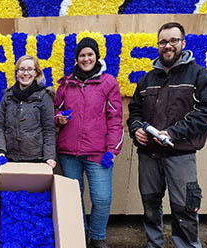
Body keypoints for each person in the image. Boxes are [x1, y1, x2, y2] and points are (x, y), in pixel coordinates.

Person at [127, 22, 207, 248]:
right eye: (163, 41)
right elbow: (135, 110)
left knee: (184, 208)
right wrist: (136, 129)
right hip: (149, 155)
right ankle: (154, 244)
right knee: (150, 205)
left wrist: (174, 133)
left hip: (180, 155)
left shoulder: (199, 75)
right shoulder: (147, 79)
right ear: (158, 45)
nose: (168, 46)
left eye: (173, 40)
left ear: (183, 43)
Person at [54, 37, 123, 248]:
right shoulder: (66, 83)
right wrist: (58, 118)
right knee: (74, 199)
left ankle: (98, 237)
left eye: (90, 54)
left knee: (101, 198)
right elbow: (54, 110)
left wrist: (112, 149)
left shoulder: (108, 82)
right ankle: (79, 235)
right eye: (82, 55)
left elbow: (116, 119)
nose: (86, 59)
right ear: (77, 58)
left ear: (97, 56)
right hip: (69, 152)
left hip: (98, 153)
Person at [0, 55, 56, 168]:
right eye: (21, 69)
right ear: (16, 73)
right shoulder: (8, 96)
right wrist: (1, 151)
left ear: (36, 73)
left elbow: (49, 130)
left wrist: (49, 156)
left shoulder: (44, 96)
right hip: (9, 158)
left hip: (36, 159)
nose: (25, 73)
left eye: (29, 69)